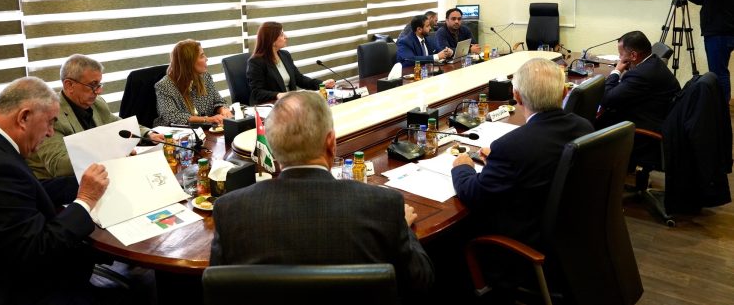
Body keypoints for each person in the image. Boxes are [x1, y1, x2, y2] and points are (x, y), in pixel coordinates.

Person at [209, 91, 434, 299]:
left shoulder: (230, 211)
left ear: (273, 148)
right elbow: (421, 283)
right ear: (331, 143)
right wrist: (402, 226)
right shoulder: (384, 206)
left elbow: (219, 293)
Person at [0, 77, 111, 305]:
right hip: (19, 290)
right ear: (24, 117)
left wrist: (80, 184)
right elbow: (37, 251)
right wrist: (86, 199)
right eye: (50, 122)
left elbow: (26, 190)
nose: (51, 132)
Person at [451, 58, 593, 250]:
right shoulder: (584, 127)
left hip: (524, 241)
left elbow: (473, 195)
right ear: (564, 92)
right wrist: (499, 162)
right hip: (571, 233)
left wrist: (462, 167)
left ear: (516, 96)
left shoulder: (511, 147)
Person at [27, 54, 163, 179]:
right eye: (93, 85)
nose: (99, 91)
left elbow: (117, 124)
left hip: (93, 173)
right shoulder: (49, 114)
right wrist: (110, 151)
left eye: (99, 84)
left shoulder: (97, 103)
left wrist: (147, 134)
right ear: (69, 85)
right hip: (57, 183)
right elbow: (58, 165)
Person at [597, 31, 680, 171]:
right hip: (656, 117)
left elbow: (607, 99)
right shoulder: (653, 62)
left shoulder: (641, 74)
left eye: (621, 54)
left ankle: (601, 173)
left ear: (633, 55)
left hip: (644, 132)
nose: (619, 58)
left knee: (591, 122)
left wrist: (616, 72)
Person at [668, 0, 734, 101]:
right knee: (717, 71)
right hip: (718, 35)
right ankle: (719, 104)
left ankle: (722, 106)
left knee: (718, 72)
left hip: (720, 35)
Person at [246, 21, 335, 105]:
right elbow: (257, 93)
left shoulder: (285, 55)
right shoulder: (256, 62)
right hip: (272, 106)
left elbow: (299, 78)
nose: (286, 37)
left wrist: (321, 84)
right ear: (272, 40)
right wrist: (278, 95)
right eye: (281, 34)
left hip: (290, 103)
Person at [154, 39, 232, 127]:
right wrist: (207, 120)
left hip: (206, 129)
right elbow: (171, 116)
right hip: (177, 133)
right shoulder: (164, 86)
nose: (206, 59)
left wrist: (222, 109)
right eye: (202, 56)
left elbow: (218, 101)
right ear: (188, 62)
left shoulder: (205, 77)